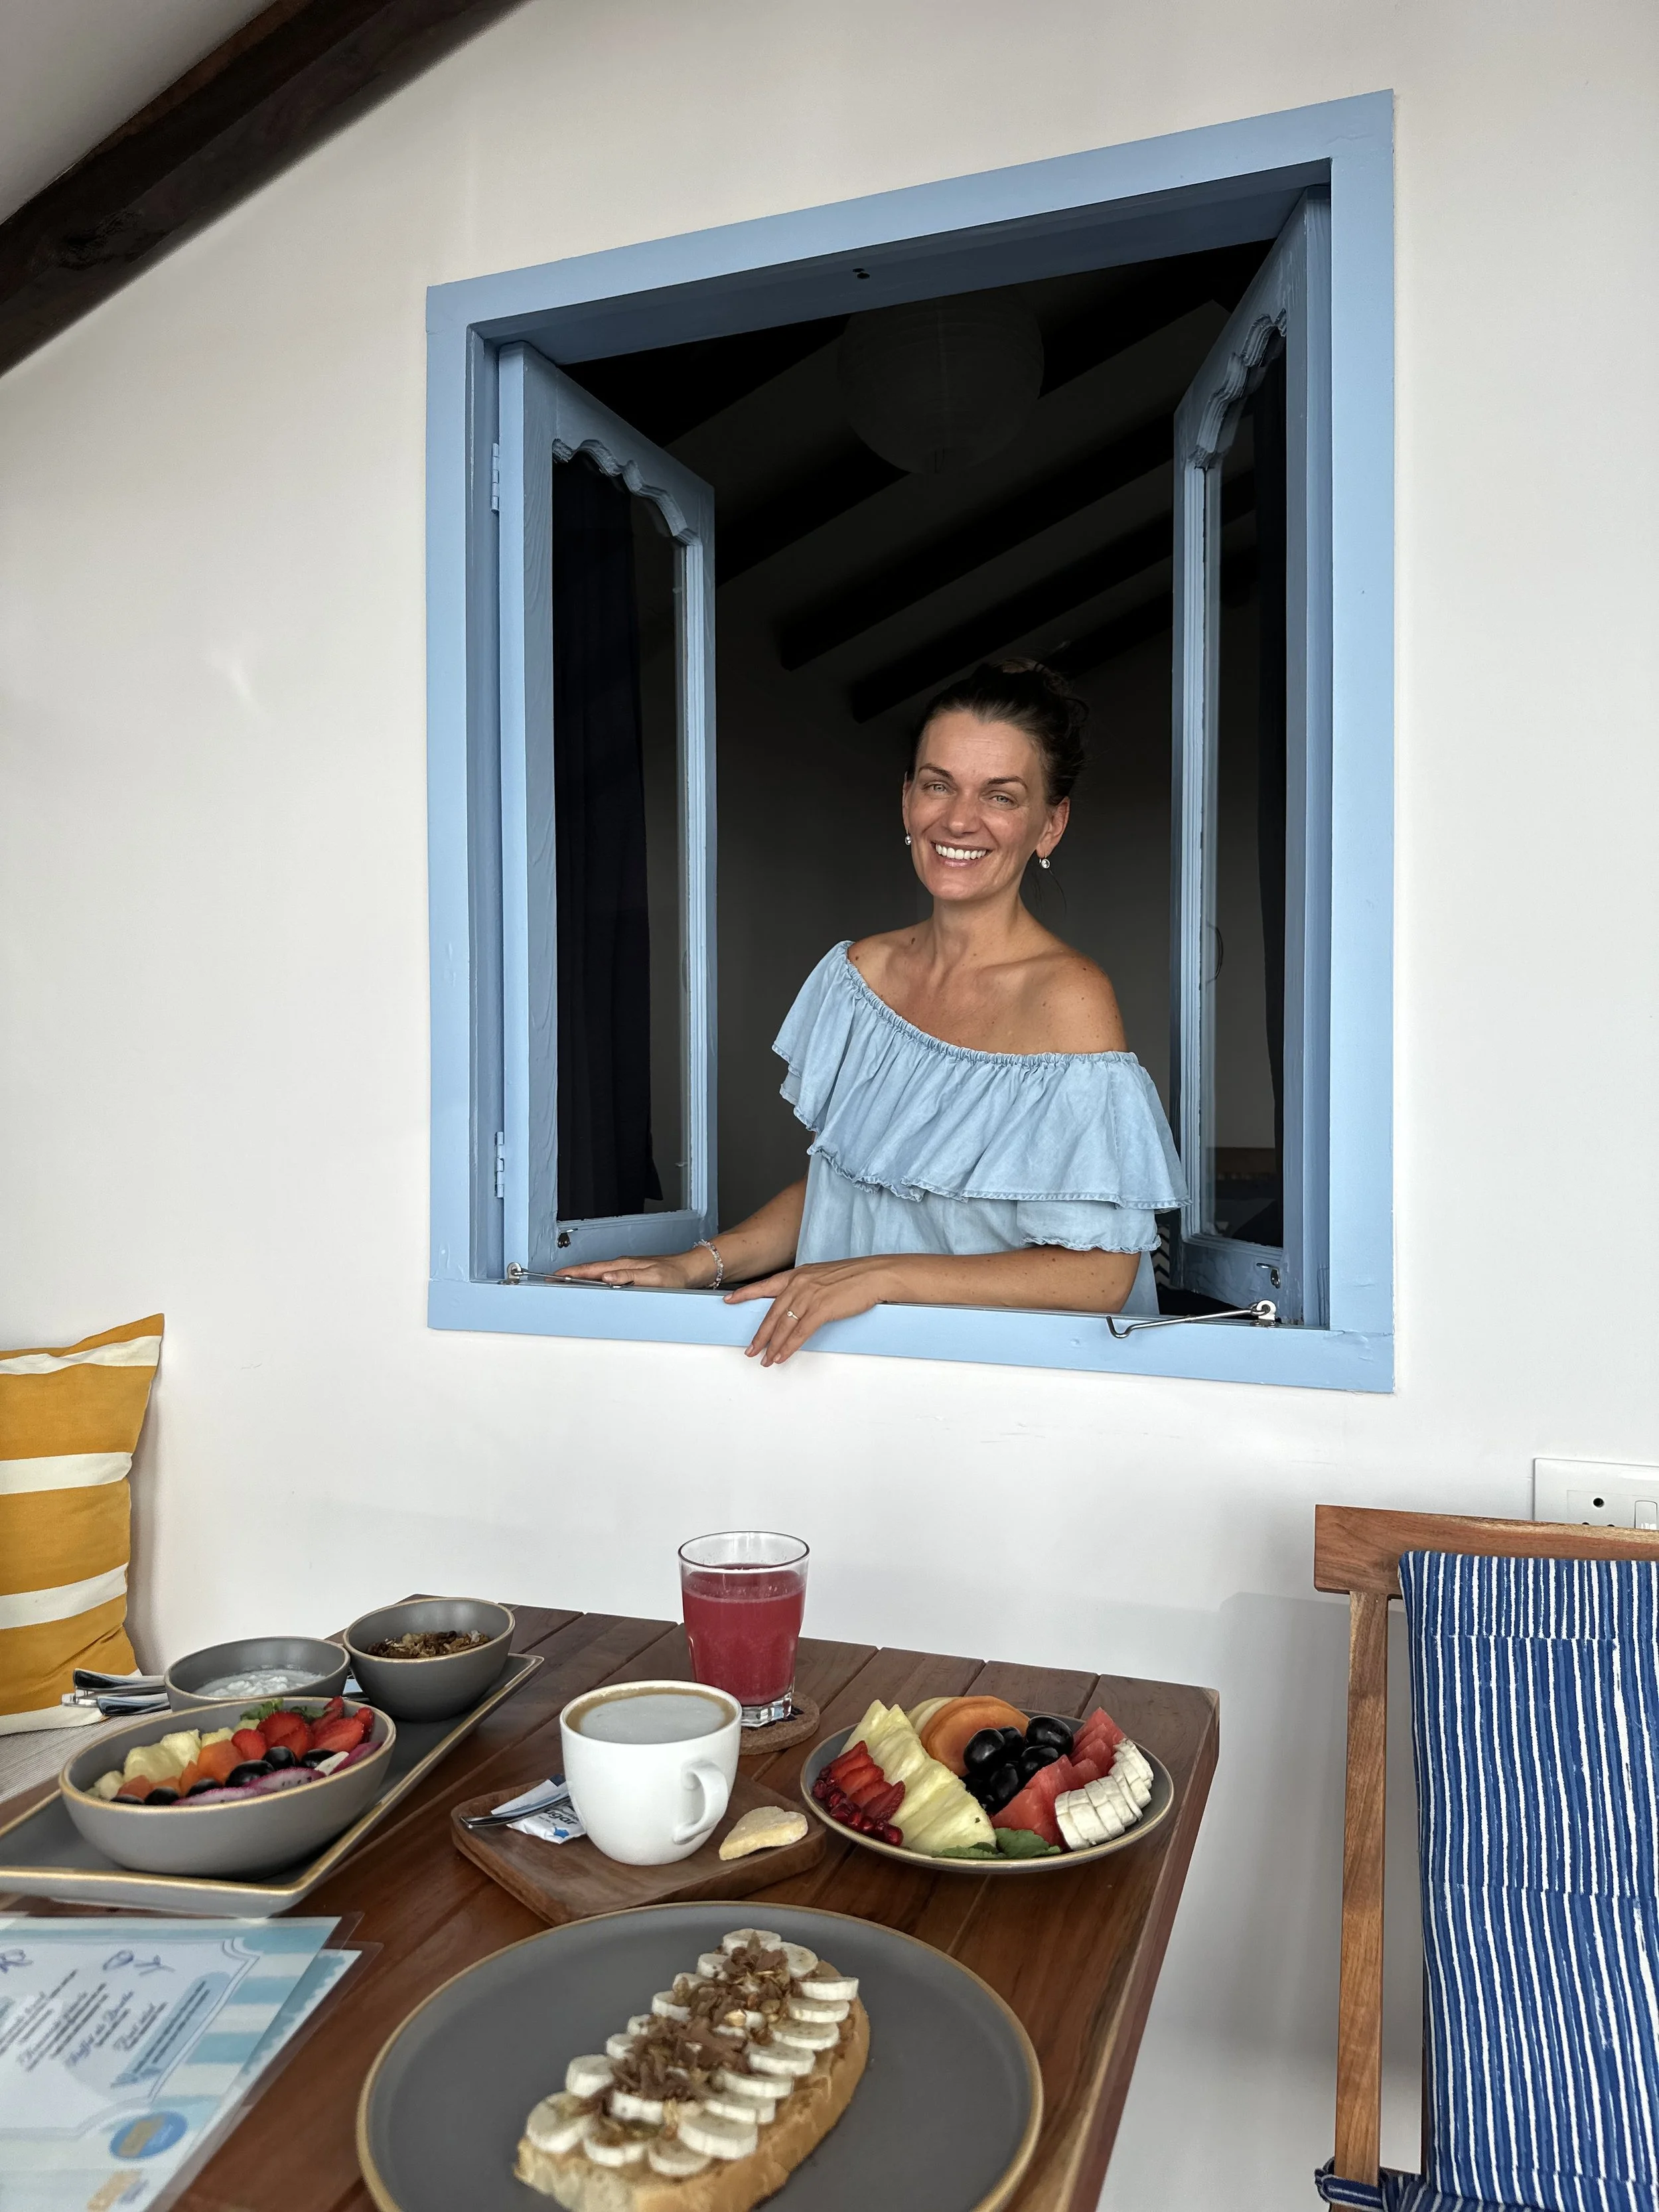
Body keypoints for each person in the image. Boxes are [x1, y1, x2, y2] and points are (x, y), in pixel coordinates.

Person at [557, 659, 1186, 1363]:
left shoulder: (1067, 995)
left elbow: (1099, 1276)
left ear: (1050, 825)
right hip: (850, 1371)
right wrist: (692, 1266)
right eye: (937, 784)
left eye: (1001, 797)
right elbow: (845, 1185)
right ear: (907, 800)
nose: (958, 818)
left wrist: (878, 1276)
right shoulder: (857, 977)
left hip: (1009, 1386)